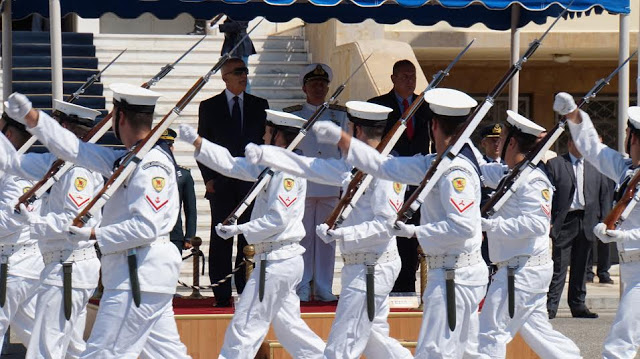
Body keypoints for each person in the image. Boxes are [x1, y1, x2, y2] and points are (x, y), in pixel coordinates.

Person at [6, 84, 190, 358]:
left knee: (102, 353)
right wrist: (34, 119)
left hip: (138, 273)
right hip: (139, 273)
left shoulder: (151, 165)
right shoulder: (128, 159)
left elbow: (146, 227)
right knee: (167, 354)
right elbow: (76, 151)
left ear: (120, 118)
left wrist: (93, 234)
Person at [313, 88, 488, 358]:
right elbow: (384, 167)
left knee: (435, 352)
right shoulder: (435, 163)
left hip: (456, 275)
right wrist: (344, 140)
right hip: (451, 272)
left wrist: (415, 231)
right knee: (461, 353)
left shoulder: (455, 172)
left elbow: (462, 226)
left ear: (433, 126)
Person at [245, 101, 413, 359]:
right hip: (360, 266)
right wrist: (267, 155)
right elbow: (311, 167)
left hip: (371, 268)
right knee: (373, 341)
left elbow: (386, 224)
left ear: (355, 130)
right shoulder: (355, 167)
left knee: (341, 346)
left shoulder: (386, 170)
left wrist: (342, 233)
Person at [178, 110, 325, 359]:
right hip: (278, 259)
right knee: (291, 330)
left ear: (279, 136)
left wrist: (239, 229)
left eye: (268, 132)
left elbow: (278, 219)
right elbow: (232, 164)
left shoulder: (286, 171)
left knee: (244, 328)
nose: (263, 137)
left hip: (276, 260)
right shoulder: (273, 166)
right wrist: (198, 143)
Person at [0, 100, 103, 358]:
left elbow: (72, 220)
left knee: (45, 349)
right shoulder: (62, 164)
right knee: (64, 346)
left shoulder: (77, 169)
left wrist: (35, 223)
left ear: (64, 128)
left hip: (65, 265)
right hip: (56, 262)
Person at [477, 110, 581, 359]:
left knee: (490, 333)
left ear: (511, 143)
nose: (497, 145)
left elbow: (536, 225)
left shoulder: (533, 180)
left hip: (520, 271)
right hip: (523, 269)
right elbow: (479, 170)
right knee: (540, 334)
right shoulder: (511, 174)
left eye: (501, 141)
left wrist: (488, 225)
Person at [556, 92, 640, 359]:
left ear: (635, 138)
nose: (625, 138)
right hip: (631, 267)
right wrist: (575, 116)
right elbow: (594, 150)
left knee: (620, 342)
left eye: (628, 133)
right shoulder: (628, 170)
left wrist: (621, 234)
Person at [197, 57, 268, 307]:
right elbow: (202, 146)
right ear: (224, 76)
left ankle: (246, 288)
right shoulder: (209, 106)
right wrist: (209, 180)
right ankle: (222, 294)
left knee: (248, 237)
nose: (243, 75)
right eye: (238, 71)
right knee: (221, 239)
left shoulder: (260, 105)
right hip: (222, 184)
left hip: (249, 184)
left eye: (245, 71)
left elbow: (264, 144)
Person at [283, 63, 348, 301]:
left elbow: (344, 152)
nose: (319, 88)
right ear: (304, 88)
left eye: (322, 84)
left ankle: (323, 286)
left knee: (326, 239)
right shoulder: (293, 115)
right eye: (314, 84)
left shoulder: (338, 115)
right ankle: (301, 285)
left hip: (330, 184)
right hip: (304, 185)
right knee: (303, 237)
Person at [367, 59, 434, 293]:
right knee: (389, 230)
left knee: (411, 233)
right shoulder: (379, 105)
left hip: (416, 180)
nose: (409, 81)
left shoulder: (425, 105)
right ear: (393, 78)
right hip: (389, 179)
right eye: (404, 76)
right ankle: (388, 284)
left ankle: (408, 282)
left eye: (413, 76)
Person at [546, 136, 610, 319]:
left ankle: (578, 304)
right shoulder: (556, 164)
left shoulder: (595, 166)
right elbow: (548, 195)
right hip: (565, 220)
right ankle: (551, 306)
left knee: (582, 265)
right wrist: (549, 219)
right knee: (559, 265)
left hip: (588, 219)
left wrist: (605, 221)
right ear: (570, 143)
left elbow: (603, 195)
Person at [0, 113, 43, 353]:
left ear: (7, 135)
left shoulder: (16, 170)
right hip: (19, 264)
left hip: (12, 264)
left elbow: (11, 218)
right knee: (36, 334)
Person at [160, 128, 196, 252]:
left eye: (169, 145)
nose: (166, 149)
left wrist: (190, 236)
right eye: (162, 145)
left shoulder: (184, 175)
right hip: (151, 234)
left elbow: (190, 208)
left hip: (174, 234)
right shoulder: (146, 171)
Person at [219, 18, 256, 93]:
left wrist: (220, 26)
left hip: (240, 45)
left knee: (241, 74)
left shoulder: (242, 11)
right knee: (231, 73)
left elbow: (238, 25)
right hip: (231, 44)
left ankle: (246, 96)